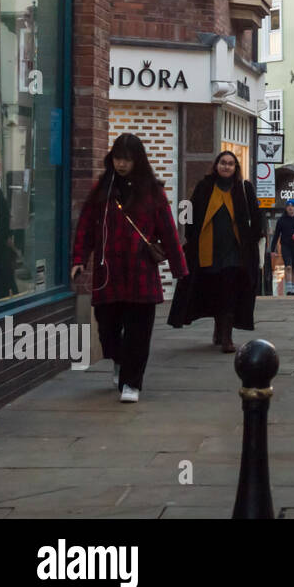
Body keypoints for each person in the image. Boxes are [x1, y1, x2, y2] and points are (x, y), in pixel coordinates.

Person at [71, 134, 188, 402]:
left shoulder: (152, 192)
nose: (121, 164)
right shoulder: (102, 189)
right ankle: (119, 360)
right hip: (108, 272)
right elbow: (86, 228)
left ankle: (131, 383)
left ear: (138, 160)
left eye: (127, 159)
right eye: (117, 158)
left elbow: (168, 231)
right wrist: (79, 259)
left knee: (139, 331)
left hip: (141, 273)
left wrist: (179, 268)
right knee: (107, 330)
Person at [168, 151, 262, 354]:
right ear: (216, 165)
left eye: (231, 164)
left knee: (229, 290)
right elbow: (190, 213)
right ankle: (219, 329)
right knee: (215, 290)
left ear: (235, 168)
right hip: (207, 250)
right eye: (223, 163)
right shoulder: (204, 187)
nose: (226, 167)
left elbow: (256, 216)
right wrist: (190, 239)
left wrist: (252, 241)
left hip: (234, 252)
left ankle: (227, 337)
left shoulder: (244, 189)